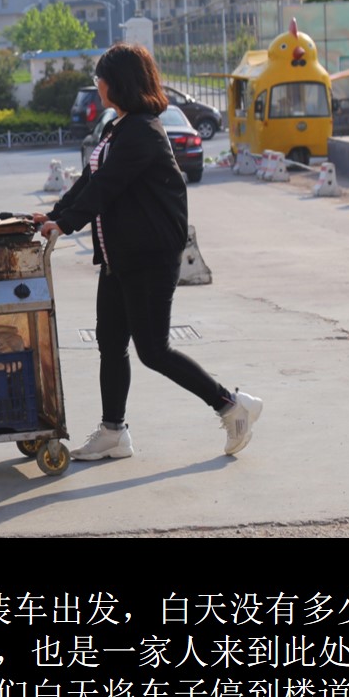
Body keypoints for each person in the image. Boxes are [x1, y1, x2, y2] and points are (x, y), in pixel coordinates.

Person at [36, 42, 262, 459]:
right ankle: (113, 432)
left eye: (101, 78)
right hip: (119, 257)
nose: (97, 84)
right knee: (110, 343)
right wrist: (52, 215)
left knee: (153, 350)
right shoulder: (117, 127)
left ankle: (232, 406)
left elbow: (109, 186)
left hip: (149, 258)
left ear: (117, 82)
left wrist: (66, 224)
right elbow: (90, 180)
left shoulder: (143, 131)